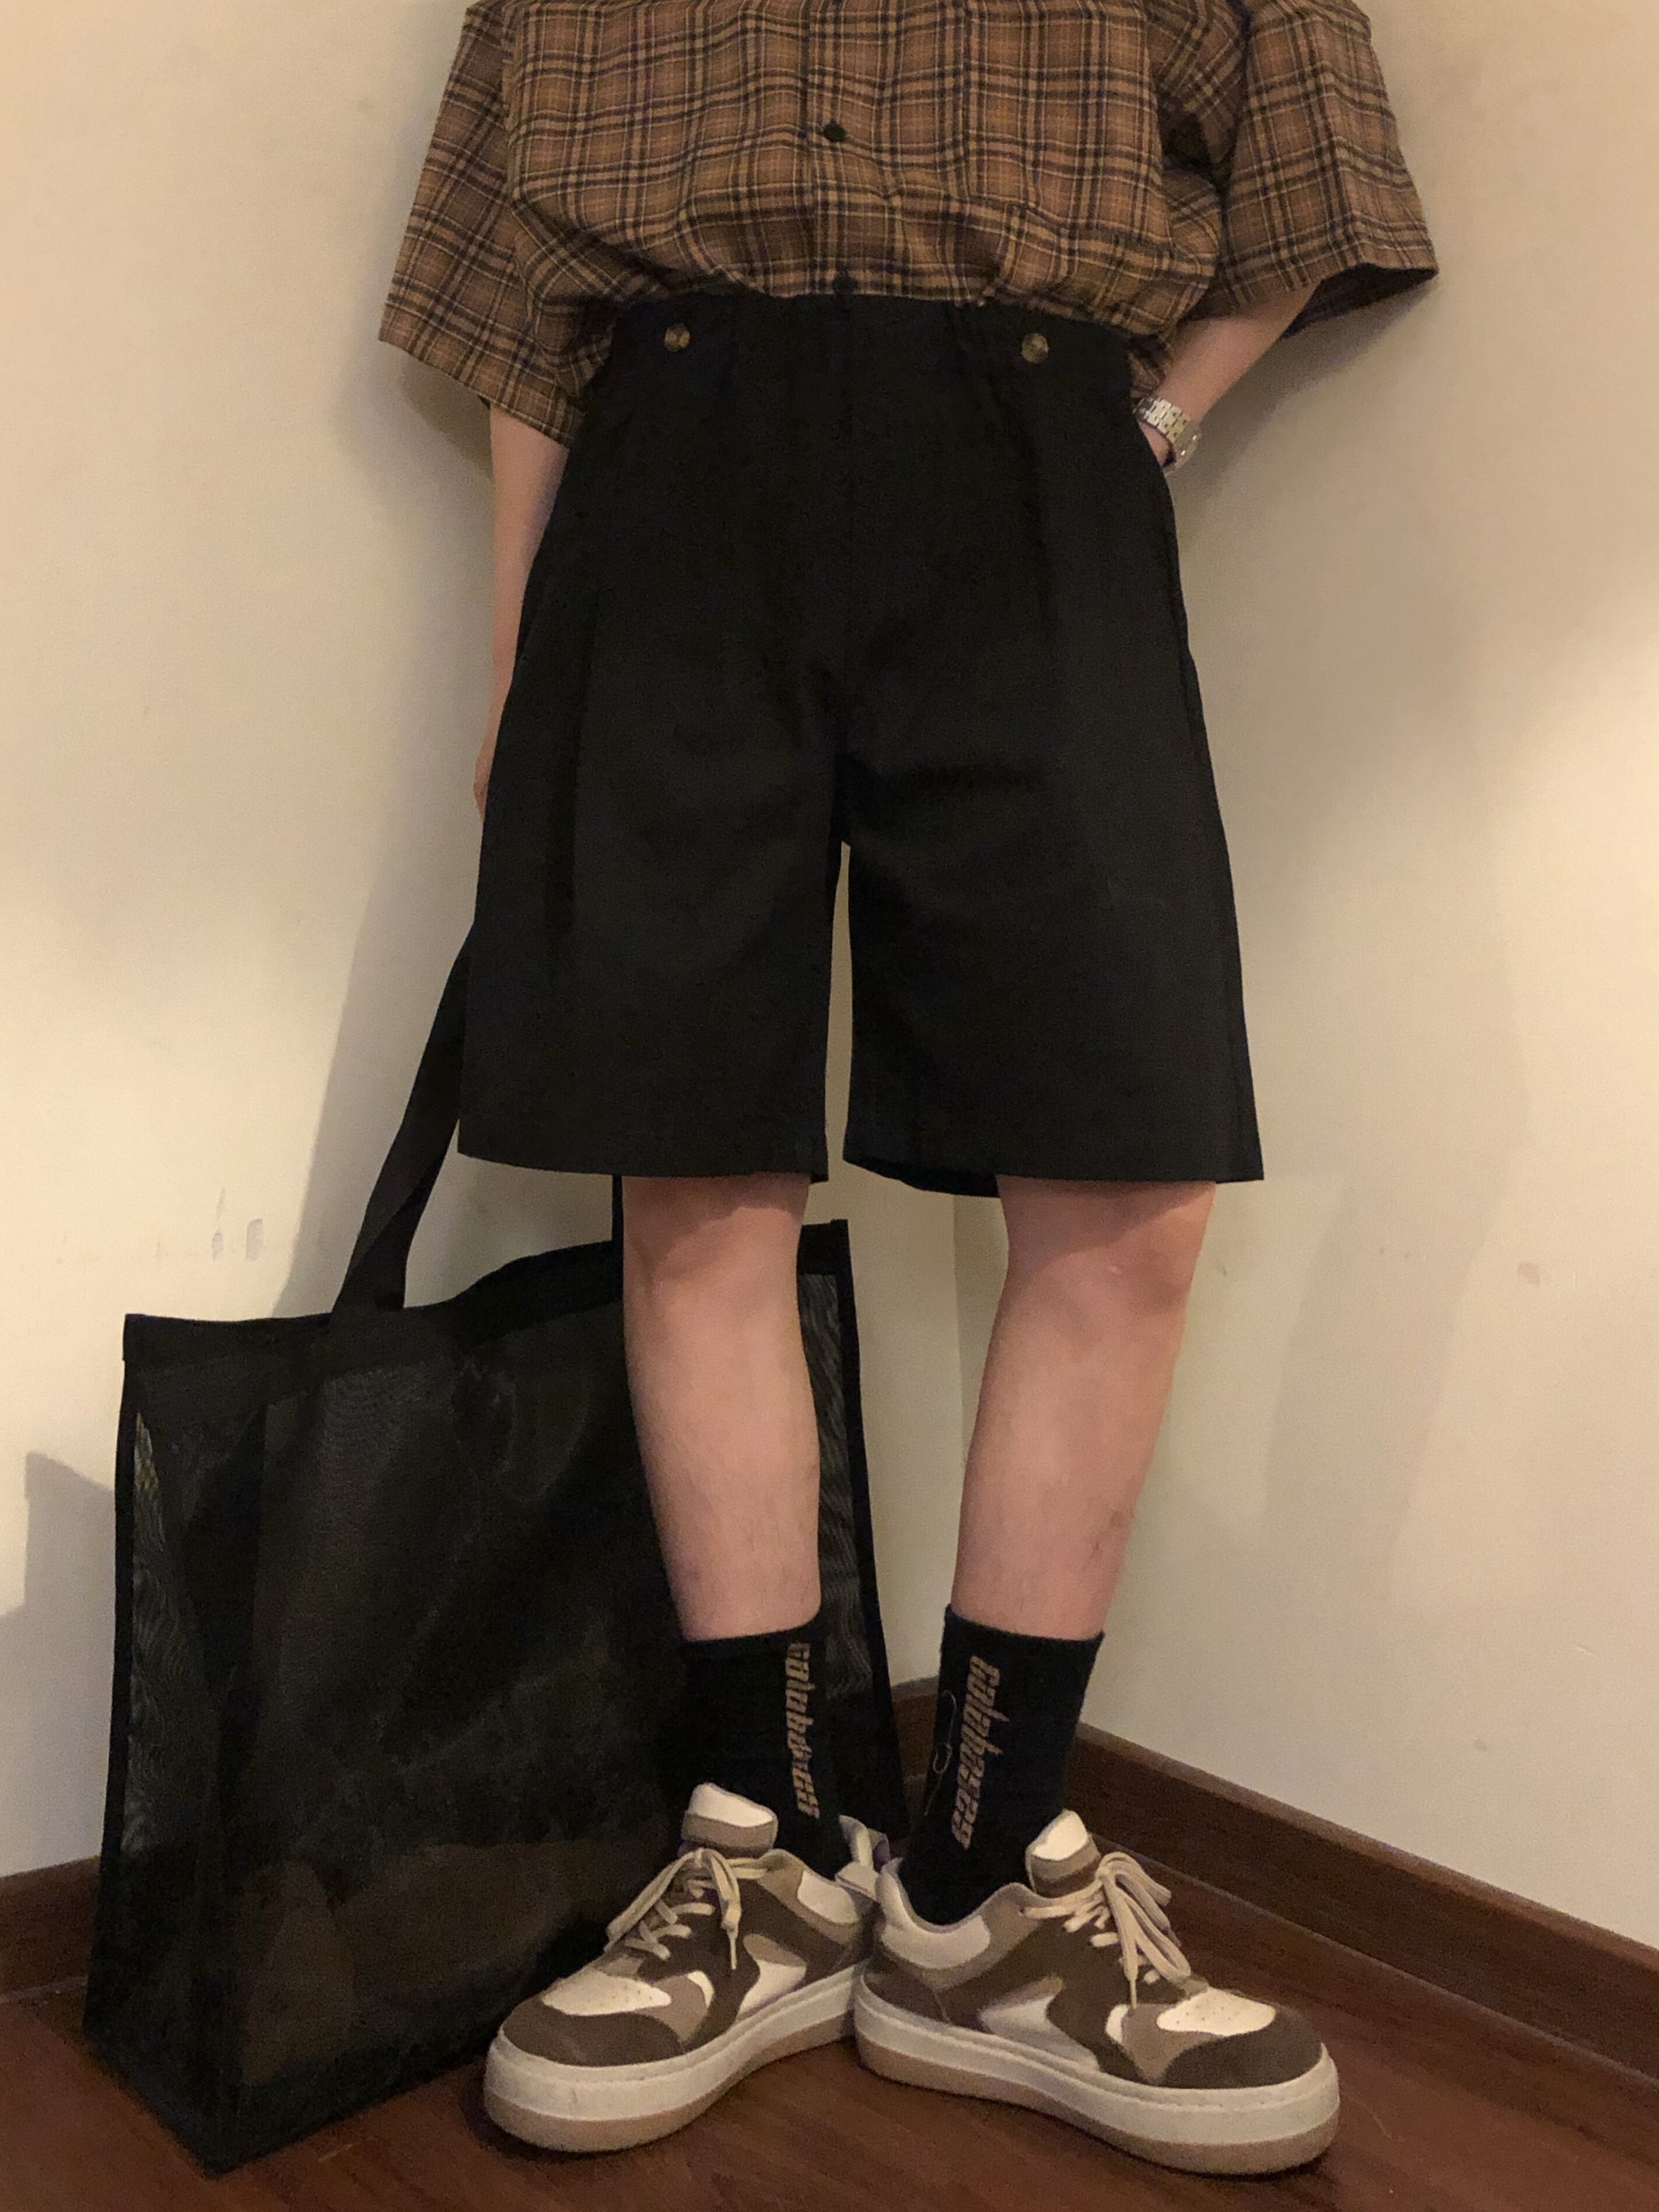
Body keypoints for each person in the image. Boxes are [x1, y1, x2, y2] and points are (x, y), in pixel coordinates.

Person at [379, 0, 1436, 2177]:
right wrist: (507, 658)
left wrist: (1149, 420)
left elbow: (1313, 178)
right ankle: (764, 1843)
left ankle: (976, 1883)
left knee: (1123, 1163)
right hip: (668, 475)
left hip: (1039, 458)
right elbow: (512, 304)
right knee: (687, 1158)